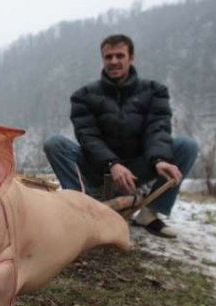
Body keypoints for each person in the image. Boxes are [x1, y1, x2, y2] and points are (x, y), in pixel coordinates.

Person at [43, 34, 198, 239]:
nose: (114, 61)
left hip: (136, 170)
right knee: (55, 144)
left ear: (131, 57)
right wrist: (112, 163)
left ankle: (149, 213)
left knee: (187, 146)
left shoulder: (154, 92)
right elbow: (87, 136)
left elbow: (157, 129)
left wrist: (159, 159)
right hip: (98, 168)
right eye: (108, 57)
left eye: (119, 56)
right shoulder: (84, 96)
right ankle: (82, 207)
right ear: (103, 59)